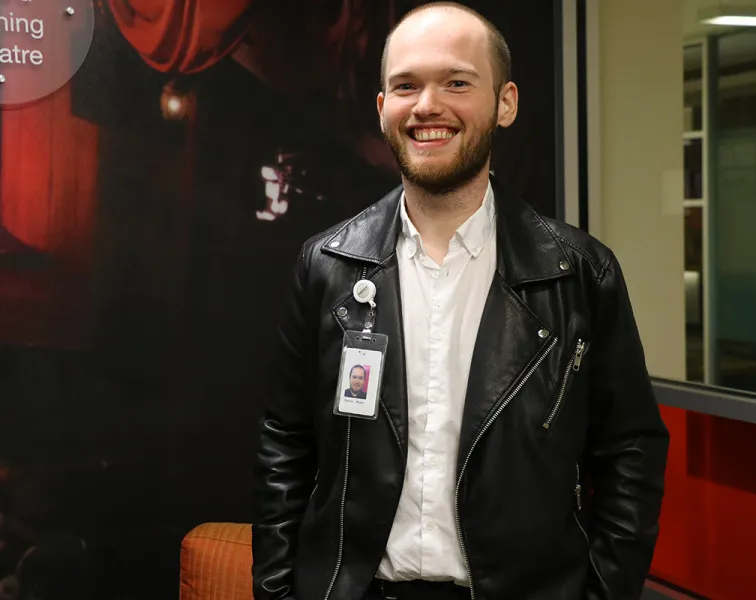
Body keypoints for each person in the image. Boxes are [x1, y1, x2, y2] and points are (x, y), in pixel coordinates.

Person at [251, 2, 669, 599]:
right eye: (406, 86)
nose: (426, 106)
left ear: (506, 103)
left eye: (456, 82)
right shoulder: (327, 266)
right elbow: (285, 444)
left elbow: (630, 450)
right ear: (382, 109)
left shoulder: (579, 274)